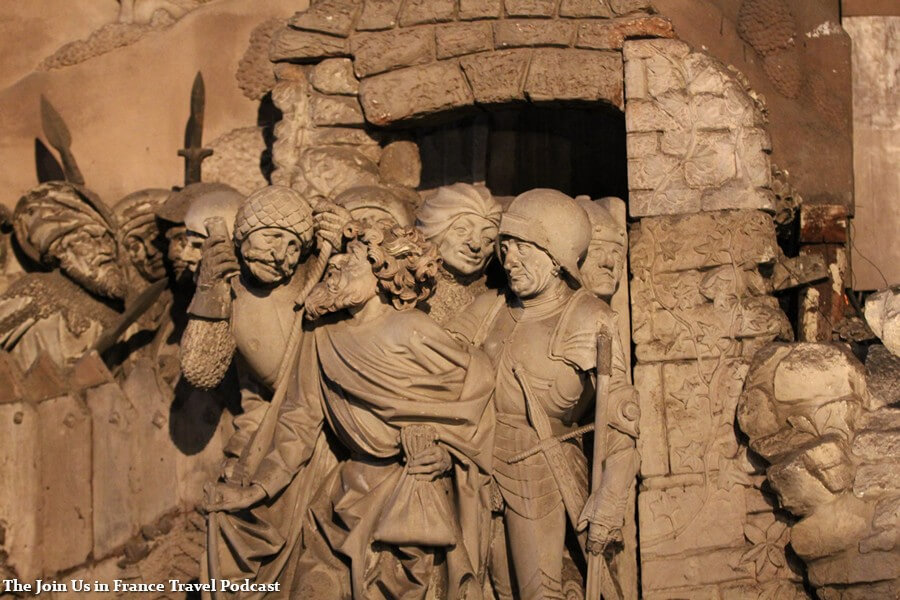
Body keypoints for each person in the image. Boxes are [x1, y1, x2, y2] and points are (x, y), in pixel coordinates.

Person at [204, 221, 495, 599]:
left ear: (383, 273)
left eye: (354, 261)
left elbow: (476, 395)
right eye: (339, 257)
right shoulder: (323, 335)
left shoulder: (411, 330)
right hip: (343, 494)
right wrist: (258, 489)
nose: (337, 265)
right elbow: (299, 420)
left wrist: (443, 454)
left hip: (408, 498)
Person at [447, 189, 640, 600]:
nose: (509, 260)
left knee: (538, 591)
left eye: (523, 249)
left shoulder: (589, 318)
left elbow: (621, 419)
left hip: (539, 470)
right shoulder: (490, 308)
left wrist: (611, 495)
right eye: (506, 247)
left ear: (556, 257)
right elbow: (438, 357)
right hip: (474, 465)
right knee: (490, 589)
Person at [0, 181, 126, 370]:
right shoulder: (34, 291)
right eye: (87, 239)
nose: (104, 249)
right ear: (59, 251)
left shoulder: (122, 312)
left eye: (106, 238)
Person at [416, 183, 503, 325]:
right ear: (434, 230)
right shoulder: (407, 288)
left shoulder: (499, 299)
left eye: (487, 238)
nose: (475, 245)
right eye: (462, 230)